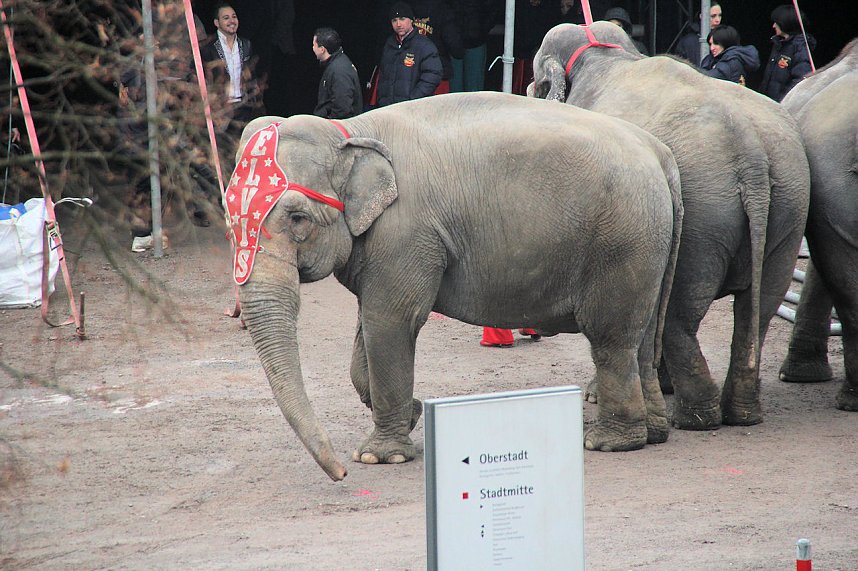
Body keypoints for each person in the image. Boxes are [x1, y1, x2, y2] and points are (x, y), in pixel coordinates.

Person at [201, 2, 262, 143]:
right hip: (220, 109)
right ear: (217, 22)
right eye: (226, 18)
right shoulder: (207, 48)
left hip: (243, 106)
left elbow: (251, 74)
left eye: (234, 17)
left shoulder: (246, 44)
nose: (231, 21)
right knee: (223, 148)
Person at [376, 2, 443, 107]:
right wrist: (382, 101)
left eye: (402, 19)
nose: (398, 24)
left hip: (413, 110)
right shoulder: (389, 44)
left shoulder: (424, 45)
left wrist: (412, 101)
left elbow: (433, 76)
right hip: (389, 110)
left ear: (411, 20)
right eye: (394, 20)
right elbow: (383, 77)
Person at [758, 4, 816, 102]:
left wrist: (781, 101)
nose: (773, 26)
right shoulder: (779, 43)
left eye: (776, 23)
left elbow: (800, 80)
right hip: (767, 104)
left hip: (781, 107)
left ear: (786, 24)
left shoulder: (800, 47)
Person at [410, 0, 464, 94]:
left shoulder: (403, 7)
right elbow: (456, 49)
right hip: (438, 75)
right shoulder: (443, 10)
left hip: (409, 72)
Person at [312, 27, 363, 119]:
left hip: (335, 128)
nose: (313, 48)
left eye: (314, 45)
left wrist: (329, 125)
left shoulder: (339, 71)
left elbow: (342, 108)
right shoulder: (335, 64)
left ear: (322, 49)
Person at [449, 0, 498, 92]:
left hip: (476, 41)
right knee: (454, 88)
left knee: (474, 89)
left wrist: (481, 31)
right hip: (453, 41)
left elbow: (493, 9)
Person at [673, 1, 721, 65]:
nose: (718, 20)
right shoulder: (687, 42)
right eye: (713, 16)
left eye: (720, 15)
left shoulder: (724, 40)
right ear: (702, 16)